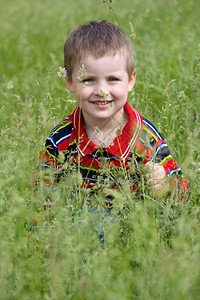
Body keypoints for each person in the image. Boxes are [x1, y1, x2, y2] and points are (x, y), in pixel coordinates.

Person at [39, 20, 189, 205]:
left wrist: (165, 184)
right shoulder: (62, 139)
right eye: (89, 80)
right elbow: (40, 195)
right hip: (79, 228)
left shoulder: (143, 136)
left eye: (112, 79)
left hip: (132, 227)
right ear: (70, 82)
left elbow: (184, 192)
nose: (102, 91)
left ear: (130, 80)